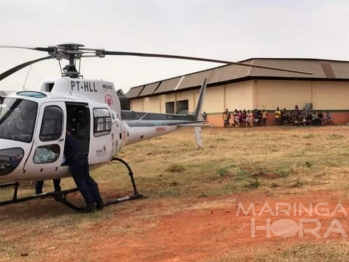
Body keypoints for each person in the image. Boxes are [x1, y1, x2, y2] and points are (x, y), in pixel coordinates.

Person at [65, 128, 104, 212]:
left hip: (76, 161)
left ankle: (90, 204)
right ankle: (99, 201)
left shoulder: (64, 138)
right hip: (83, 158)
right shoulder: (71, 136)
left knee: (81, 182)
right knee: (88, 179)